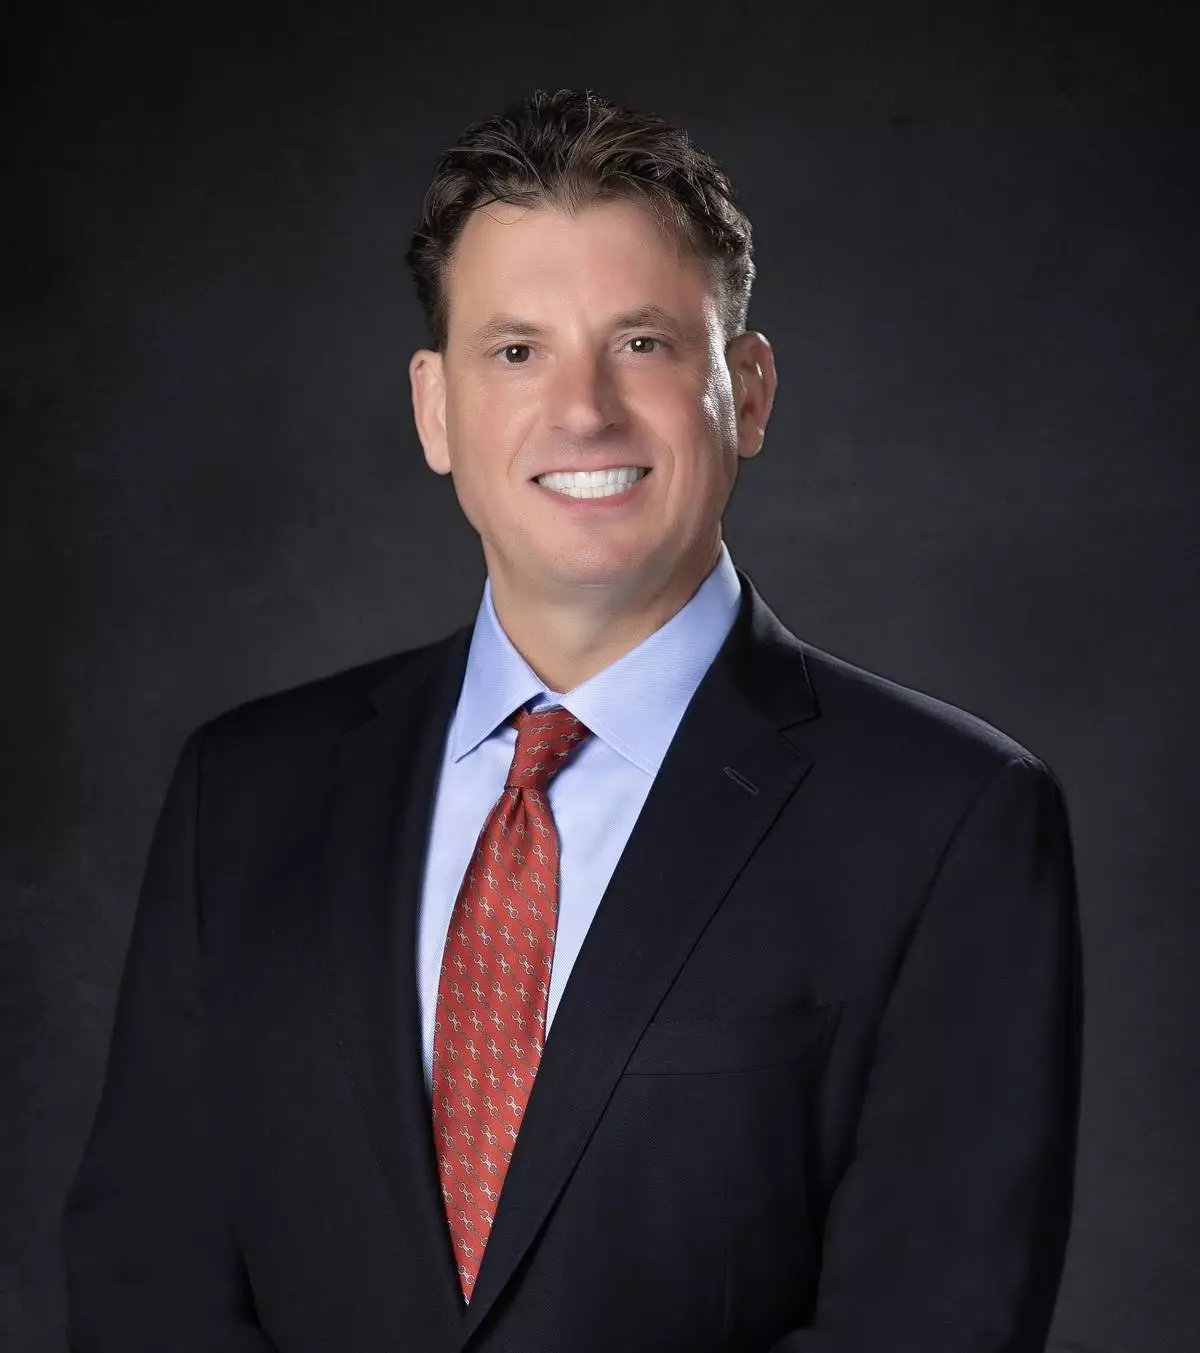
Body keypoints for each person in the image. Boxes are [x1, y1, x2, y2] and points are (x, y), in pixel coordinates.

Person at [61, 87, 1083, 1353]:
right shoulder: (245, 791)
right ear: (436, 410)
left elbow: (928, 1324)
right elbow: (147, 1278)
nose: (584, 410)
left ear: (748, 390)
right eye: (517, 351)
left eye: (642, 343)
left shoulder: (950, 822)